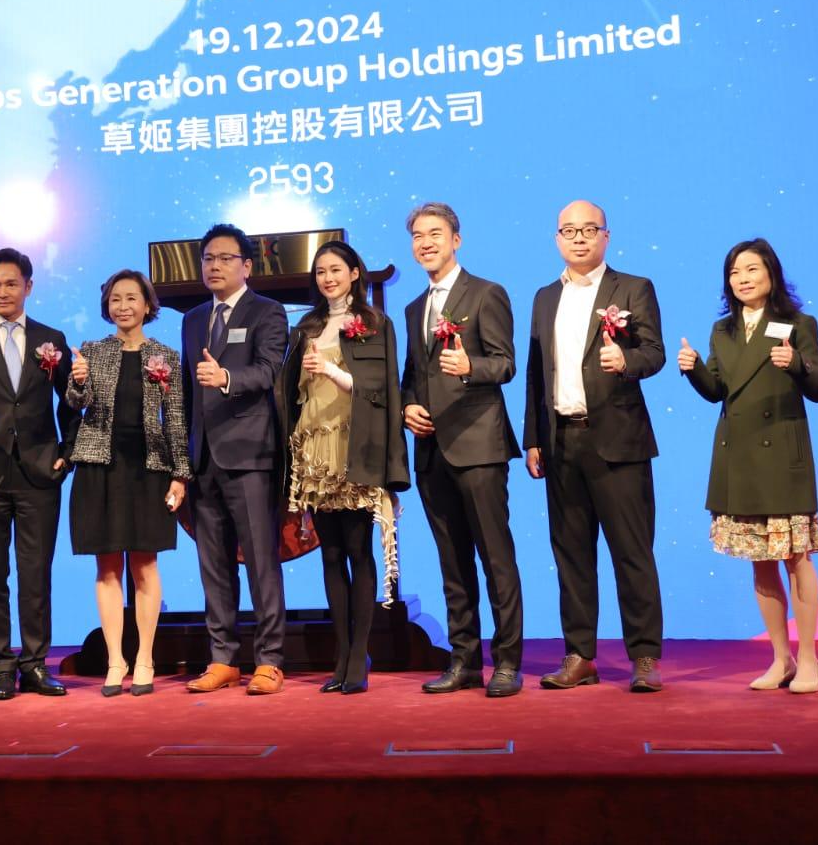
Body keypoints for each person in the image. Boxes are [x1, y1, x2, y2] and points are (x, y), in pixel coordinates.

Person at [523, 202, 668, 693]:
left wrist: (626, 360)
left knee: (632, 552)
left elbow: (654, 352)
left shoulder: (633, 288)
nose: (579, 238)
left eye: (589, 229)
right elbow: (536, 373)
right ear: (557, 239)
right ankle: (580, 655)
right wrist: (533, 438)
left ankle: (644, 656)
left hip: (618, 440)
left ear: (606, 236)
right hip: (561, 440)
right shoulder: (545, 297)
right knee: (571, 555)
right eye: (569, 230)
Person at [678, 239, 818, 693]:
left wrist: (796, 363)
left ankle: (810, 660)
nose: (742, 279)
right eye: (734, 272)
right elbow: (718, 391)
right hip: (739, 458)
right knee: (760, 564)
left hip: (781, 456)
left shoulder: (798, 324)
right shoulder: (722, 331)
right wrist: (693, 369)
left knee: (795, 559)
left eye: (751, 269)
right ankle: (781, 659)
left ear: (771, 274)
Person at [399, 203, 526, 698]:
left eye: (435, 233)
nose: (426, 242)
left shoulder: (486, 293)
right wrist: (408, 406)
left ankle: (507, 662)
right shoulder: (415, 308)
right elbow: (413, 375)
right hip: (432, 451)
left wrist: (471, 366)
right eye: (418, 236)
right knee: (452, 563)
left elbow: (505, 364)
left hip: (478, 445)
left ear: (456, 239)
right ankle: (464, 660)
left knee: (496, 559)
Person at [0, 248, 81, 700]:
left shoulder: (51, 338)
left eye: (11, 283)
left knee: (35, 574)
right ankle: (1, 667)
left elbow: (72, 400)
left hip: (39, 473)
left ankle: (35, 664)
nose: (2, 292)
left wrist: (68, 452)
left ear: (28, 286)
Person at [278, 241, 408, 695]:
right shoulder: (307, 326)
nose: (327, 278)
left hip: (354, 447)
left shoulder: (374, 323)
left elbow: (381, 389)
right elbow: (292, 390)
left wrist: (332, 371)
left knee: (357, 550)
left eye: (335, 269)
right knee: (329, 554)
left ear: (355, 273)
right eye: (320, 271)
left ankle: (359, 655)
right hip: (315, 451)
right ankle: (342, 652)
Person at [67, 270, 190, 697]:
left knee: (145, 565)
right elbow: (77, 403)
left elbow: (176, 419)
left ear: (147, 304)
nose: (123, 306)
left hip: (148, 467)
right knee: (106, 567)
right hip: (99, 465)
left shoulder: (165, 356)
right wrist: (77, 381)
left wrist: (180, 473)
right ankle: (115, 660)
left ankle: (145, 659)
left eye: (131, 298)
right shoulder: (91, 351)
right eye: (115, 299)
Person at [181, 223, 291, 696]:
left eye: (225, 258)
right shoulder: (192, 319)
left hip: (249, 455)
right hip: (203, 459)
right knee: (214, 567)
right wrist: (183, 460)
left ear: (246, 266)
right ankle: (223, 658)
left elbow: (268, 371)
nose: (214, 266)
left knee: (261, 563)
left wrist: (226, 377)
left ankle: (269, 660)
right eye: (208, 258)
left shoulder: (268, 311)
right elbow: (187, 393)